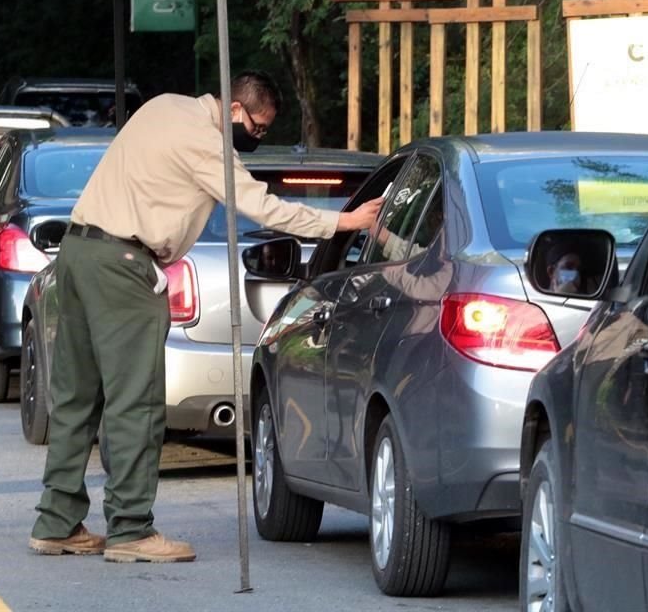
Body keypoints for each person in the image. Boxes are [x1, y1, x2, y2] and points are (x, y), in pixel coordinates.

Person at [28, 71, 383, 563]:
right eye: (257, 129)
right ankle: (130, 529)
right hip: (125, 266)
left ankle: (57, 521)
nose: (256, 140)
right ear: (235, 111)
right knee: (137, 403)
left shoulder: (163, 104)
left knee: (75, 398)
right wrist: (344, 221)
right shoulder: (207, 143)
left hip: (79, 253)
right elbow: (261, 207)